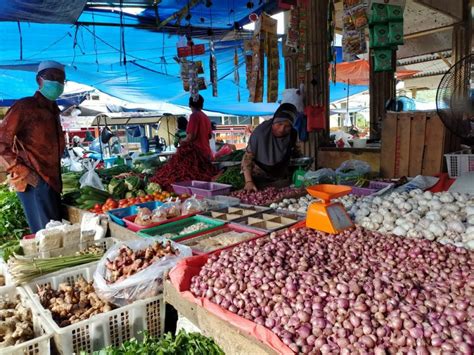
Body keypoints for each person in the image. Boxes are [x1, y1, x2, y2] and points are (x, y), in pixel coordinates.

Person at [0, 60, 66, 233]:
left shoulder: (54, 111)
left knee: (56, 233)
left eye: (61, 79)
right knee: (48, 235)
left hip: (52, 181)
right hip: (34, 181)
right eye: (52, 77)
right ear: (39, 80)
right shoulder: (25, 107)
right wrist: (24, 171)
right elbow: (1, 143)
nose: (57, 83)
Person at [242, 103, 299, 191]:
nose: (282, 129)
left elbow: (295, 153)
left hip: (280, 176)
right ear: (274, 121)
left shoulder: (292, 134)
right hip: (259, 176)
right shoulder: (260, 133)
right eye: (279, 124)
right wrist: (249, 181)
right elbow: (247, 159)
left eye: (287, 126)